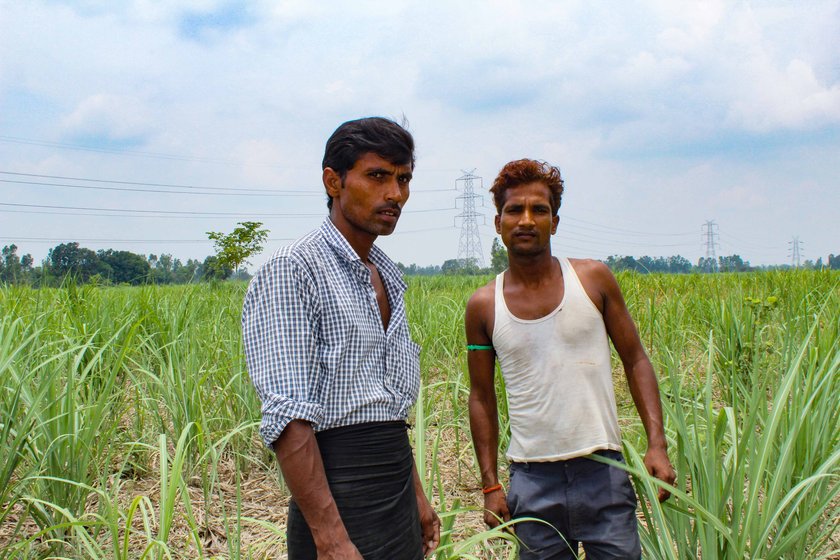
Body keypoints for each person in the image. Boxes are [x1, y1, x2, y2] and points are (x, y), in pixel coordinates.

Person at [242, 117, 440, 559]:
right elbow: (290, 419)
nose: (395, 194)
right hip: (338, 502)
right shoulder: (295, 269)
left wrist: (418, 498)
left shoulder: (387, 275)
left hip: (396, 494)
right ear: (334, 181)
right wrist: (329, 537)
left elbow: (386, 408)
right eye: (377, 176)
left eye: (403, 179)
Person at [465, 159, 676, 559]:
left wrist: (657, 444)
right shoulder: (483, 306)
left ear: (555, 222)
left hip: (604, 472)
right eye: (514, 210)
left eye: (539, 210)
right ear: (498, 223)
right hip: (532, 481)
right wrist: (491, 484)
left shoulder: (593, 279)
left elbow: (635, 360)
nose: (526, 220)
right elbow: (481, 397)